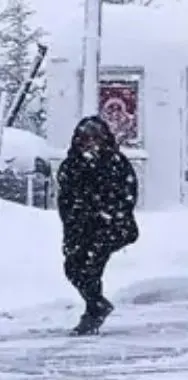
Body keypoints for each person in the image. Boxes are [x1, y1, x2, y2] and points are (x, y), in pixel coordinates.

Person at [56, 115, 139, 336]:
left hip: (109, 228)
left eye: (94, 139)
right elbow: (65, 199)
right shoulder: (71, 165)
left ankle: (92, 313)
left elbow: (128, 195)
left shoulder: (115, 163)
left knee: (91, 267)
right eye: (85, 139)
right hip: (80, 228)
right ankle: (96, 304)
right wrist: (71, 224)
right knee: (73, 268)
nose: (90, 144)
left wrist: (112, 215)